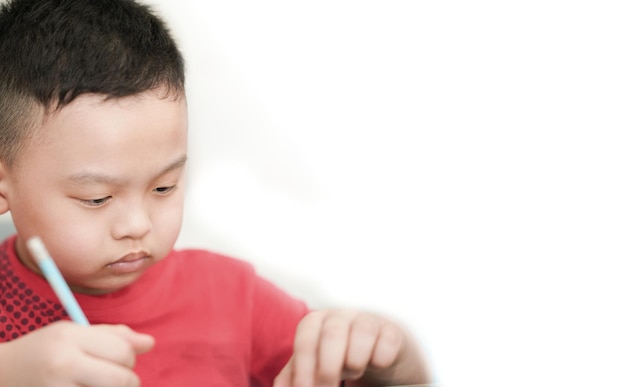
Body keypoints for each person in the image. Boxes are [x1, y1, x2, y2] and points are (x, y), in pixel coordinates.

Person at [0, 0, 431, 385]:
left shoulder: (233, 299)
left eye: (164, 186)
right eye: (97, 198)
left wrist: (389, 357)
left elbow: (380, 374)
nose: (138, 224)